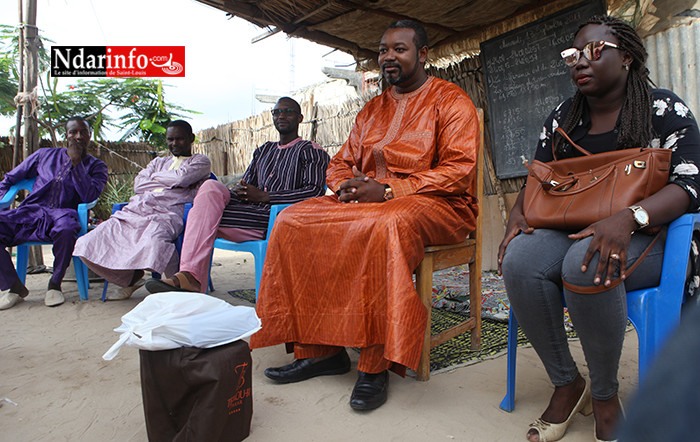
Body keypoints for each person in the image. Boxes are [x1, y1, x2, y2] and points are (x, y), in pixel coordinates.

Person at [249, 20, 479, 411]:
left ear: (422, 54)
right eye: (383, 49)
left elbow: (459, 170)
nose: (389, 56)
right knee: (292, 220)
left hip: (439, 203)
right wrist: (345, 187)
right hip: (368, 202)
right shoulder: (371, 110)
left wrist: (389, 190)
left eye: (399, 49)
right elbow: (340, 162)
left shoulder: (451, 101)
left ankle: (375, 363)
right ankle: (321, 351)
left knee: (383, 224)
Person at [498, 15, 700, 442]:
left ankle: (606, 396)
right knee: (519, 260)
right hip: (573, 226)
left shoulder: (662, 108)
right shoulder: (563, 116)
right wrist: (518, 214)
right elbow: (540, 175)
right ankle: (567, 383)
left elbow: (691, 182)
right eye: (574, 55)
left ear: (626, 56)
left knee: (584, 263)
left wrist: (629, 218)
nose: (580, 63)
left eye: (594, 51)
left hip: (650, 235)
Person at [144, 97, 330, 294]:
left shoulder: (311, 151)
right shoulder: (263, 150)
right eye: (277, 112)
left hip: (275, 219)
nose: (281, 115)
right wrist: (241, 191)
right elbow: (247, 184)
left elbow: (314, 191)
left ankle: (190, 278)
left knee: (199, 220)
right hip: (248, 212)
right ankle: (189, 277)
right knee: (210, 187)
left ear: (300, 118)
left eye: (288, 111)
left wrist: (266, 197)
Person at [73, 120, 211, 300]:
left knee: (154, 243)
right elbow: (139, 184)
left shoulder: (200, 161)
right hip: (135, 211)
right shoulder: (159, 162)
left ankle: (176, 284)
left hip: (167, 214)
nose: (174, 143)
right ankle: (130, 278)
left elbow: (183, 178)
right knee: (86, 243)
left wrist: (157, 179)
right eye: (170, 139)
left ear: (191, 138)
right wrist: (171, 180)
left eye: (180, 139)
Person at [0, 116, 108, 309]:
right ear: (65, 136)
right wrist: (2, 200)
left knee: (67, 229)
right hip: (31, 212)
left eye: (83, 132)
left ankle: (55, 283)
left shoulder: (96, 166)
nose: (78, 136)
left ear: (89, 136)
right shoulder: (43, 155)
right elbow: (10, 178)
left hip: (64, 215)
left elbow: (89, 195)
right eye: (73, 132)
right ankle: (15, 287)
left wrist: (77, 164)